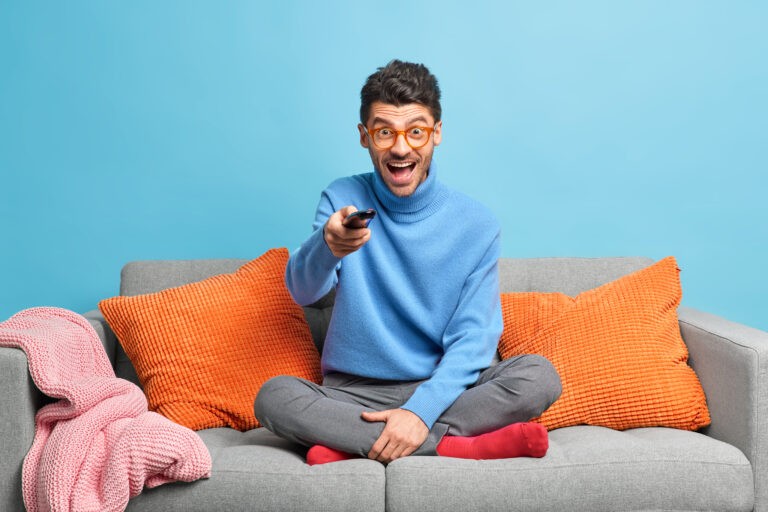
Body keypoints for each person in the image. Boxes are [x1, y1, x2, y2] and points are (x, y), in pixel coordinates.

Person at [255, 59, 561, 465]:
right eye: (385, 132)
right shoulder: (341, 197)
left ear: (436, 133)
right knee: (274, 397)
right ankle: (454, 445)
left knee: (539, 376)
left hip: (444, 388)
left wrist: (420, 410)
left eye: (415, 131)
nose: (401, 148)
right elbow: (303, 292)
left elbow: (474, 340)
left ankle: (357, 442)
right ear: (365, 137)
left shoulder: (477, 224)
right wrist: (327, 247)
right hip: (352, 393)